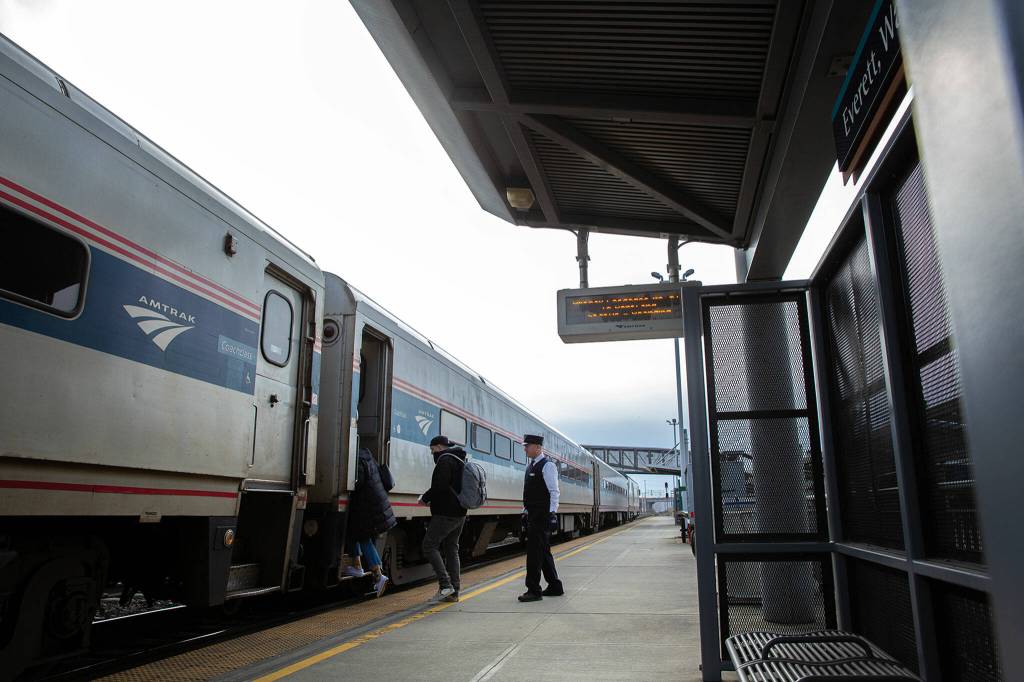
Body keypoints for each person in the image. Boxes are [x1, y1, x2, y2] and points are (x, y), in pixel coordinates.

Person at [419, 435, 467, 602]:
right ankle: (454, 591)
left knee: (429, 546)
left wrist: (424, 498)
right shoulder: (459, 459)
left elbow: (440, 486)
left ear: (438, 447)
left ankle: (446, 585)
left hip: (445, 513)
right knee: (452, 549)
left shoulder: (445, 461)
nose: (432, 453)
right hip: (460, 512)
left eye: (432, 450)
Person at [342, 447, 396, 597]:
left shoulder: (358, 460)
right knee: (354, 534)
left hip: (368, 507)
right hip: (374, 504)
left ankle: (378, 574)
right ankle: (358, 565)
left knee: (364, 538)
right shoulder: (369, 458)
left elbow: (357, 484)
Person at [518, 433, 564, 602]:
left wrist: (552, 513)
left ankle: (533, 590)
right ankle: (554, 586)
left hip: (542, 515)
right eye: (525, 446)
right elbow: (528, 493)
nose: (525, 448)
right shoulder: (530, 466)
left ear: (538, 447)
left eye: (527, 446)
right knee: (543, 551)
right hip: (533, 514)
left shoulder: (547, 466)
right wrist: (525, 511)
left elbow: (554, 491)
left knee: (534, 553)